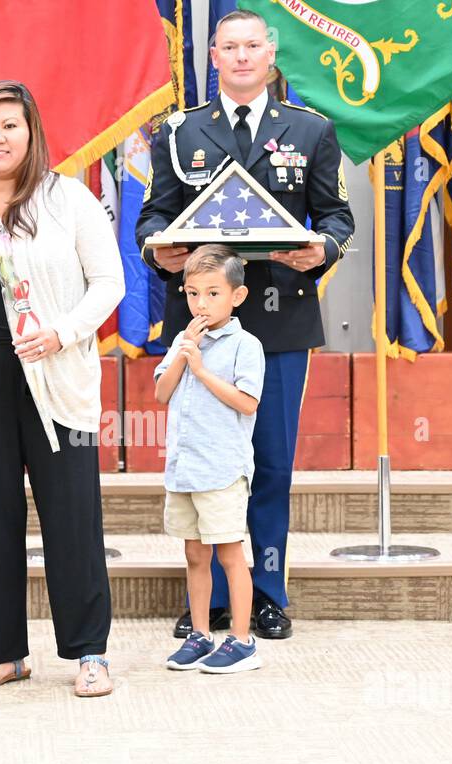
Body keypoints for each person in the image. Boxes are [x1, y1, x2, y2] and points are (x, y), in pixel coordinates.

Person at [137, 9, 355, 641]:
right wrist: (159, 249)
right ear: (212, 56)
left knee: (271, 463)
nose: (240, 57)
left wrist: (324, 250)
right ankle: (204, 603)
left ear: (271, 51)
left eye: (251, 46)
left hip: (281, 319)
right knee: (205, 459)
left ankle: (265, 593)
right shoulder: (178, 133)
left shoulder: (311, 130)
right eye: (228, 47)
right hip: (201, 324)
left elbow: (336, 217)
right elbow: (153, 218)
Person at [0, 81, 124, 698]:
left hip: (54, 378)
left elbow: (109, 282)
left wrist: (63, 333)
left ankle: (90, 652)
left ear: (32, 131)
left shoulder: (68, 200)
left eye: (11, 125)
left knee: (72, 517)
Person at [154, 246, 265, 673]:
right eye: (193, 293)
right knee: (195, 555)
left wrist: (201, 371)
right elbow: (162, 393)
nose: (201, 304)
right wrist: (184, 357)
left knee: (229, 554)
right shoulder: (184, 341)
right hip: (185, 469)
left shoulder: (245, 345)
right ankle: (200, 634)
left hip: (222, 470)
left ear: (237, 296)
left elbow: (248, 403)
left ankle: (241, 640)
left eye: (213, 293)